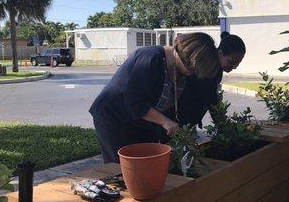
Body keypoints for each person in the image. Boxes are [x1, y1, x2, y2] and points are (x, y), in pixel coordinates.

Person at [89, 32, 220, 163]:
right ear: (186, 55)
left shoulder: (180, 70)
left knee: (145, 165)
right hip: (114, 117)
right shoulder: (150, 58)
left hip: (141, 121)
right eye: (192, 68)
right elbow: (135, 102)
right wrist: (165, 121)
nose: (192, 73)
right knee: (121, 169)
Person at [177, 31, 246, 127]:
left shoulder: (217, 68)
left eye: (237, 63)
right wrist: (223, 126)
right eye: (231, 62)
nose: (234, 67)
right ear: (220, 53)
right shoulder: (207, 68)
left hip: (189, 118)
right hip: (179, 118)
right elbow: (211, 99)